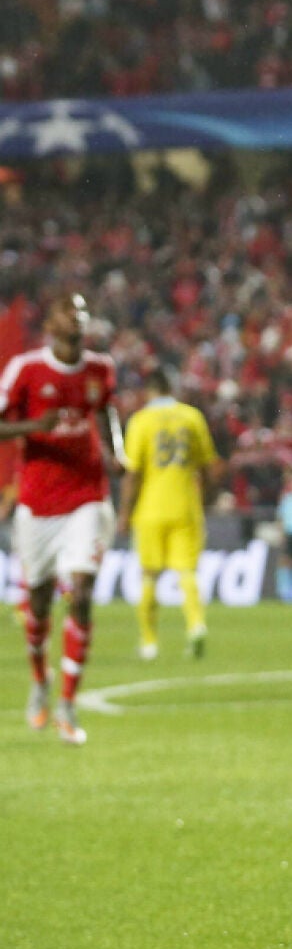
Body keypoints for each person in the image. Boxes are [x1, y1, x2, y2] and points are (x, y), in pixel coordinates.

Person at [1, 294, 120, 746]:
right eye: (69, 312)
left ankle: (68, 703)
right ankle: (40, 679)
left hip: (87, 496)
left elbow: (106, 410)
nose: (78, 317)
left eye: (83, 311)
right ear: (50, 324)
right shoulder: (26, 370)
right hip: (37, 503)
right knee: (38, 603)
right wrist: (34, 427)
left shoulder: (100, 369)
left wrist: (116, 451)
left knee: (82, 592)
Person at [118, 366, 221, 660]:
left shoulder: (140, 420)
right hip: (186, 505)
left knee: (149, 575)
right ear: (172, 388)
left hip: (150, 509)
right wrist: (207, 498)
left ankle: (149, 643)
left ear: (148, 392)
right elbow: (208, 465)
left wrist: (124, 513)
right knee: (187, 572)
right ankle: (196, 625)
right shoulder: (192, 417)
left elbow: (132, 473)